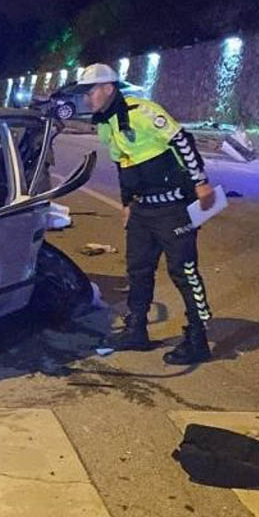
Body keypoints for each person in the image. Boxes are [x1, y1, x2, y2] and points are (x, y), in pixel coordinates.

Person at [67, 63, 216, 365]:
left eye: (90, 91)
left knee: (184, 272)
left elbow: (181, 141)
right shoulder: (106, 123)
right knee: (138, 269)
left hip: (173, 208)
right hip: (143, 209)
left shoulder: (143, 111)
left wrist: (200, 183)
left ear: (108, 89)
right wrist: (126, 203)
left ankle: (198, 339)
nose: (86, 98)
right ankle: (137, 329)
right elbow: (125, 163)